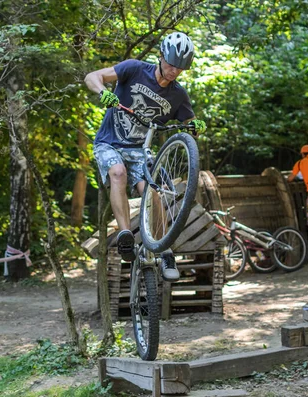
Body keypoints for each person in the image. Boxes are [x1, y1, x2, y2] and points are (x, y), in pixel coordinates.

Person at [84, 32, 206, 281]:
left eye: (180, 68)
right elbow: (92, 76)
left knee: (156, 192)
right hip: (110, 142)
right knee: (117, 172)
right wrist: (102, 92)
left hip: (141, 149)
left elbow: (190, 122)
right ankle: (125, 236)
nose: (174, 71)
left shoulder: (178, 95)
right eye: (171, 64)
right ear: (160, 57)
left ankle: (164, 249)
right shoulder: (134, 69)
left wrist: (198, 126)